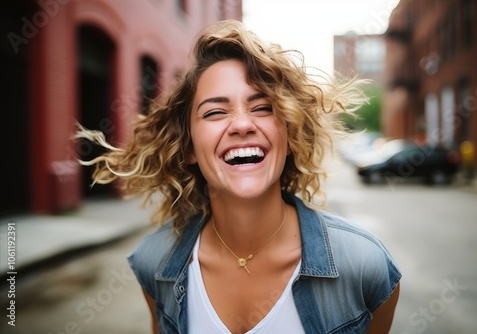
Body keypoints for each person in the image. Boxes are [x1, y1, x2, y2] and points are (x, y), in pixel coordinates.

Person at [76, 19, 401, 334]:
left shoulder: (365, 267)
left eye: (262, 108)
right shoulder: (155, 264)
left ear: (289, 135)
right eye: (215, 112)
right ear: (189, 148)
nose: (242, 124)